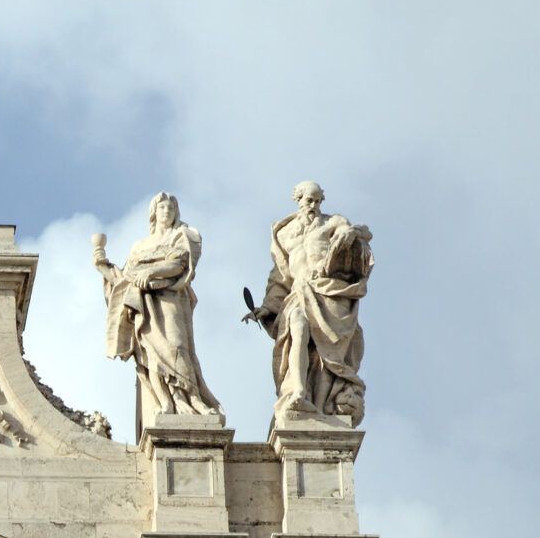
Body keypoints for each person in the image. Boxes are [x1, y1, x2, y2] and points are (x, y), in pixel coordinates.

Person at [250, 181, 374, 425]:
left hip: (329, 294)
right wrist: (266, 307)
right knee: (297, 326)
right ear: (298, 200)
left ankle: (318, 403)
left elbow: (362, 234)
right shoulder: (284, 233)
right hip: (299, 292)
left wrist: (351, 234)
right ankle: (297, 391)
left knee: (324, 357)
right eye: (309, 201)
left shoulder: (332, 222)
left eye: (318, 201)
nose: (314, 206)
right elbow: (280, 277)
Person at [93, 192, 221, 421]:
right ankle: (166, 402)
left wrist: (151, 272)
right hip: (143, 303)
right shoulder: (140, 246)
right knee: (150, 354)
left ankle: (189, 399)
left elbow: (179, 263)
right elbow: (125, 279)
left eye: (171, 208)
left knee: (177, 346)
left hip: (170, 299)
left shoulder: (182, 235)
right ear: (154, 212)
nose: (167, 211)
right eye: (162, 207)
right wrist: (102, 263)